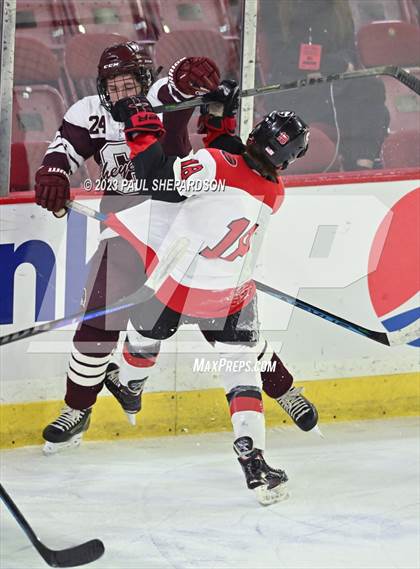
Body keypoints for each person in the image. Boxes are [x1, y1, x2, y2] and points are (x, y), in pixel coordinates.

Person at [35, 42, 318, 456]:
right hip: (128, 228)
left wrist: (192, 77)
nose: (121, 93)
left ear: (145, 81)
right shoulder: (86, 111)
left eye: (130, 83)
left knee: (230, 324)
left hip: (184, 224)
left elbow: (177, 90)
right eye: (113, 86)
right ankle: (77, 408)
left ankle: (282, 387)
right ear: (100, 86)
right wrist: (54, 172)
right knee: (99, 316)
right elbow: (63, 149)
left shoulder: (159, 99)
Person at [94, 84, 310, 504]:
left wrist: (142, 129)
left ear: (256, 133)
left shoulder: (213, 163)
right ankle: (254, 458)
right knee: (241, 373)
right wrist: (218, 116)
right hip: (230, 295)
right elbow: (239, 160)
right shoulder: (274, 193)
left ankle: (130, 386)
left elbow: (158, 180)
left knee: (146, 337)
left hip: (176, 286)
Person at [259, 0, 390, 171]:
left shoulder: (338, 7)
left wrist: (329, 67)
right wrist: (330, 65)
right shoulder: (275, 5)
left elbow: (349, 53)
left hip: (333, 84)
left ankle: (362, 165)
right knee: (368, 108)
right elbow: (282, 57)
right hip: (292, 89)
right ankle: (358, 165)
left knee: (371, 88)